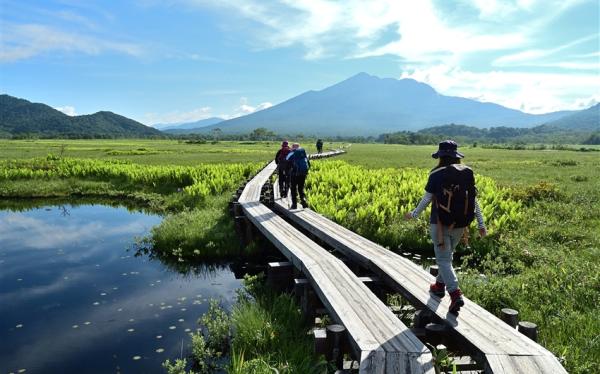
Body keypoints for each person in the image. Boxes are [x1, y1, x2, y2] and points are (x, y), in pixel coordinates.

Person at [404, 140, 487, 315]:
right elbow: (474, 202)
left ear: (440, 157)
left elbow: (427, 199)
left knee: (443, 260)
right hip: (460, 225)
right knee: (447, 257)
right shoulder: (466, 173)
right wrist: (481, 224)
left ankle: (455, 294)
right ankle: (439, 286)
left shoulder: (436, 174)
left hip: (439, 224)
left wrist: (414, 214)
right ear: (456, 156)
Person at [286, 143, 310, 209]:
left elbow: (287, 161)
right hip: (303, 174)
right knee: (301, 188)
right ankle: (304, 201)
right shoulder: (303, 154)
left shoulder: (291, 153)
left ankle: (294, 205)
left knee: (293, 189)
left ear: (293, 147)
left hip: (294, 174)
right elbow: (308, 163)